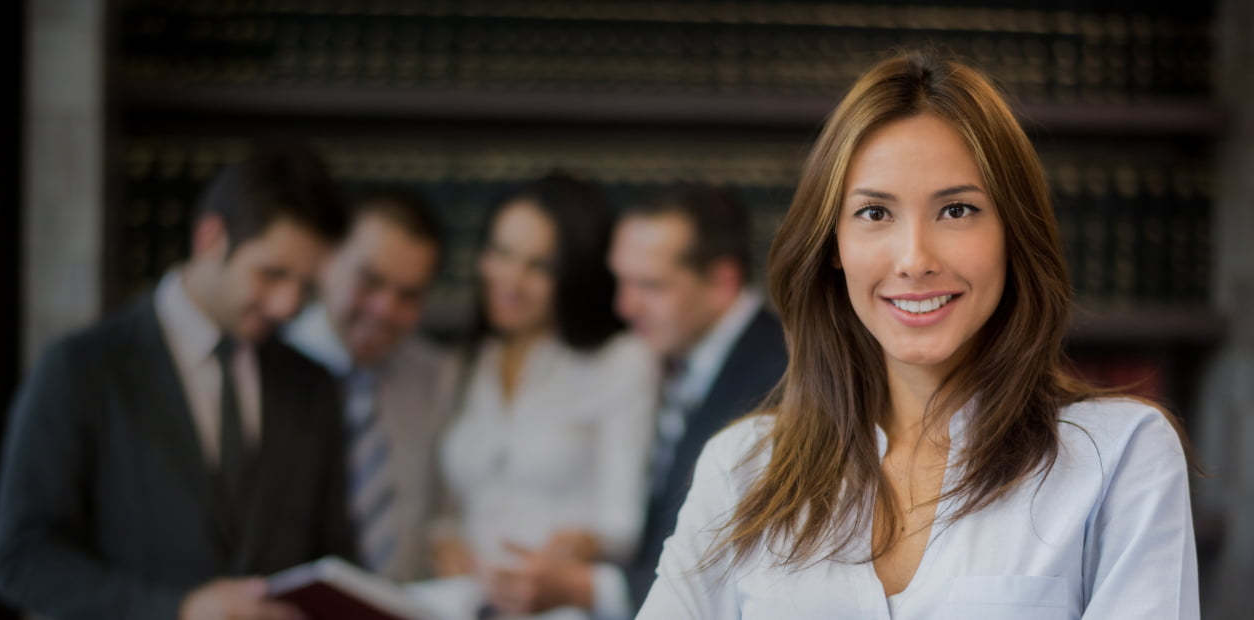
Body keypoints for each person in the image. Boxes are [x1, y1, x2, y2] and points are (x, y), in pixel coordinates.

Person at [638, 52, 1199, 618]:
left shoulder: (1119, 455)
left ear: (1013, 233)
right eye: (875, 213)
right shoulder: (741, 469)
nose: (914, 260)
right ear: (834, 246)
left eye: (957, 210)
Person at [0, 144, 355, 620]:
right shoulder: (81, 370)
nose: (286, 305)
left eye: (305, 287)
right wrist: (177, 609)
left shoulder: (313, 384)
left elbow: (336, 562)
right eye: (271, 274)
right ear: (210, 238)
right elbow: (21, 559)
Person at [484, 184, 788, 618]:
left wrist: (583, 588)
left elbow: (742, 571)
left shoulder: (779, 380)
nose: (625, 306)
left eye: (650, 285)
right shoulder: (669, 361)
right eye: (620, 280)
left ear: (723, 282)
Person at [432, 172, 658, 606]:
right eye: (500, 253)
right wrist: (444, 541)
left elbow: (622, 526)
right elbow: (451, 506)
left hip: (557, 605)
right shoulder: (469, 362)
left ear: (574, 274)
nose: (510, 280)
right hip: (461, 601)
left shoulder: (620, 362)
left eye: (539, 267)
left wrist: (577, 549)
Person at [285, 188, 456, 582]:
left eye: (409, 295)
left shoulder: (437, 376)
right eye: (370, 281)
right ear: (326, 261)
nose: (384, 310)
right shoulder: (270, 369)